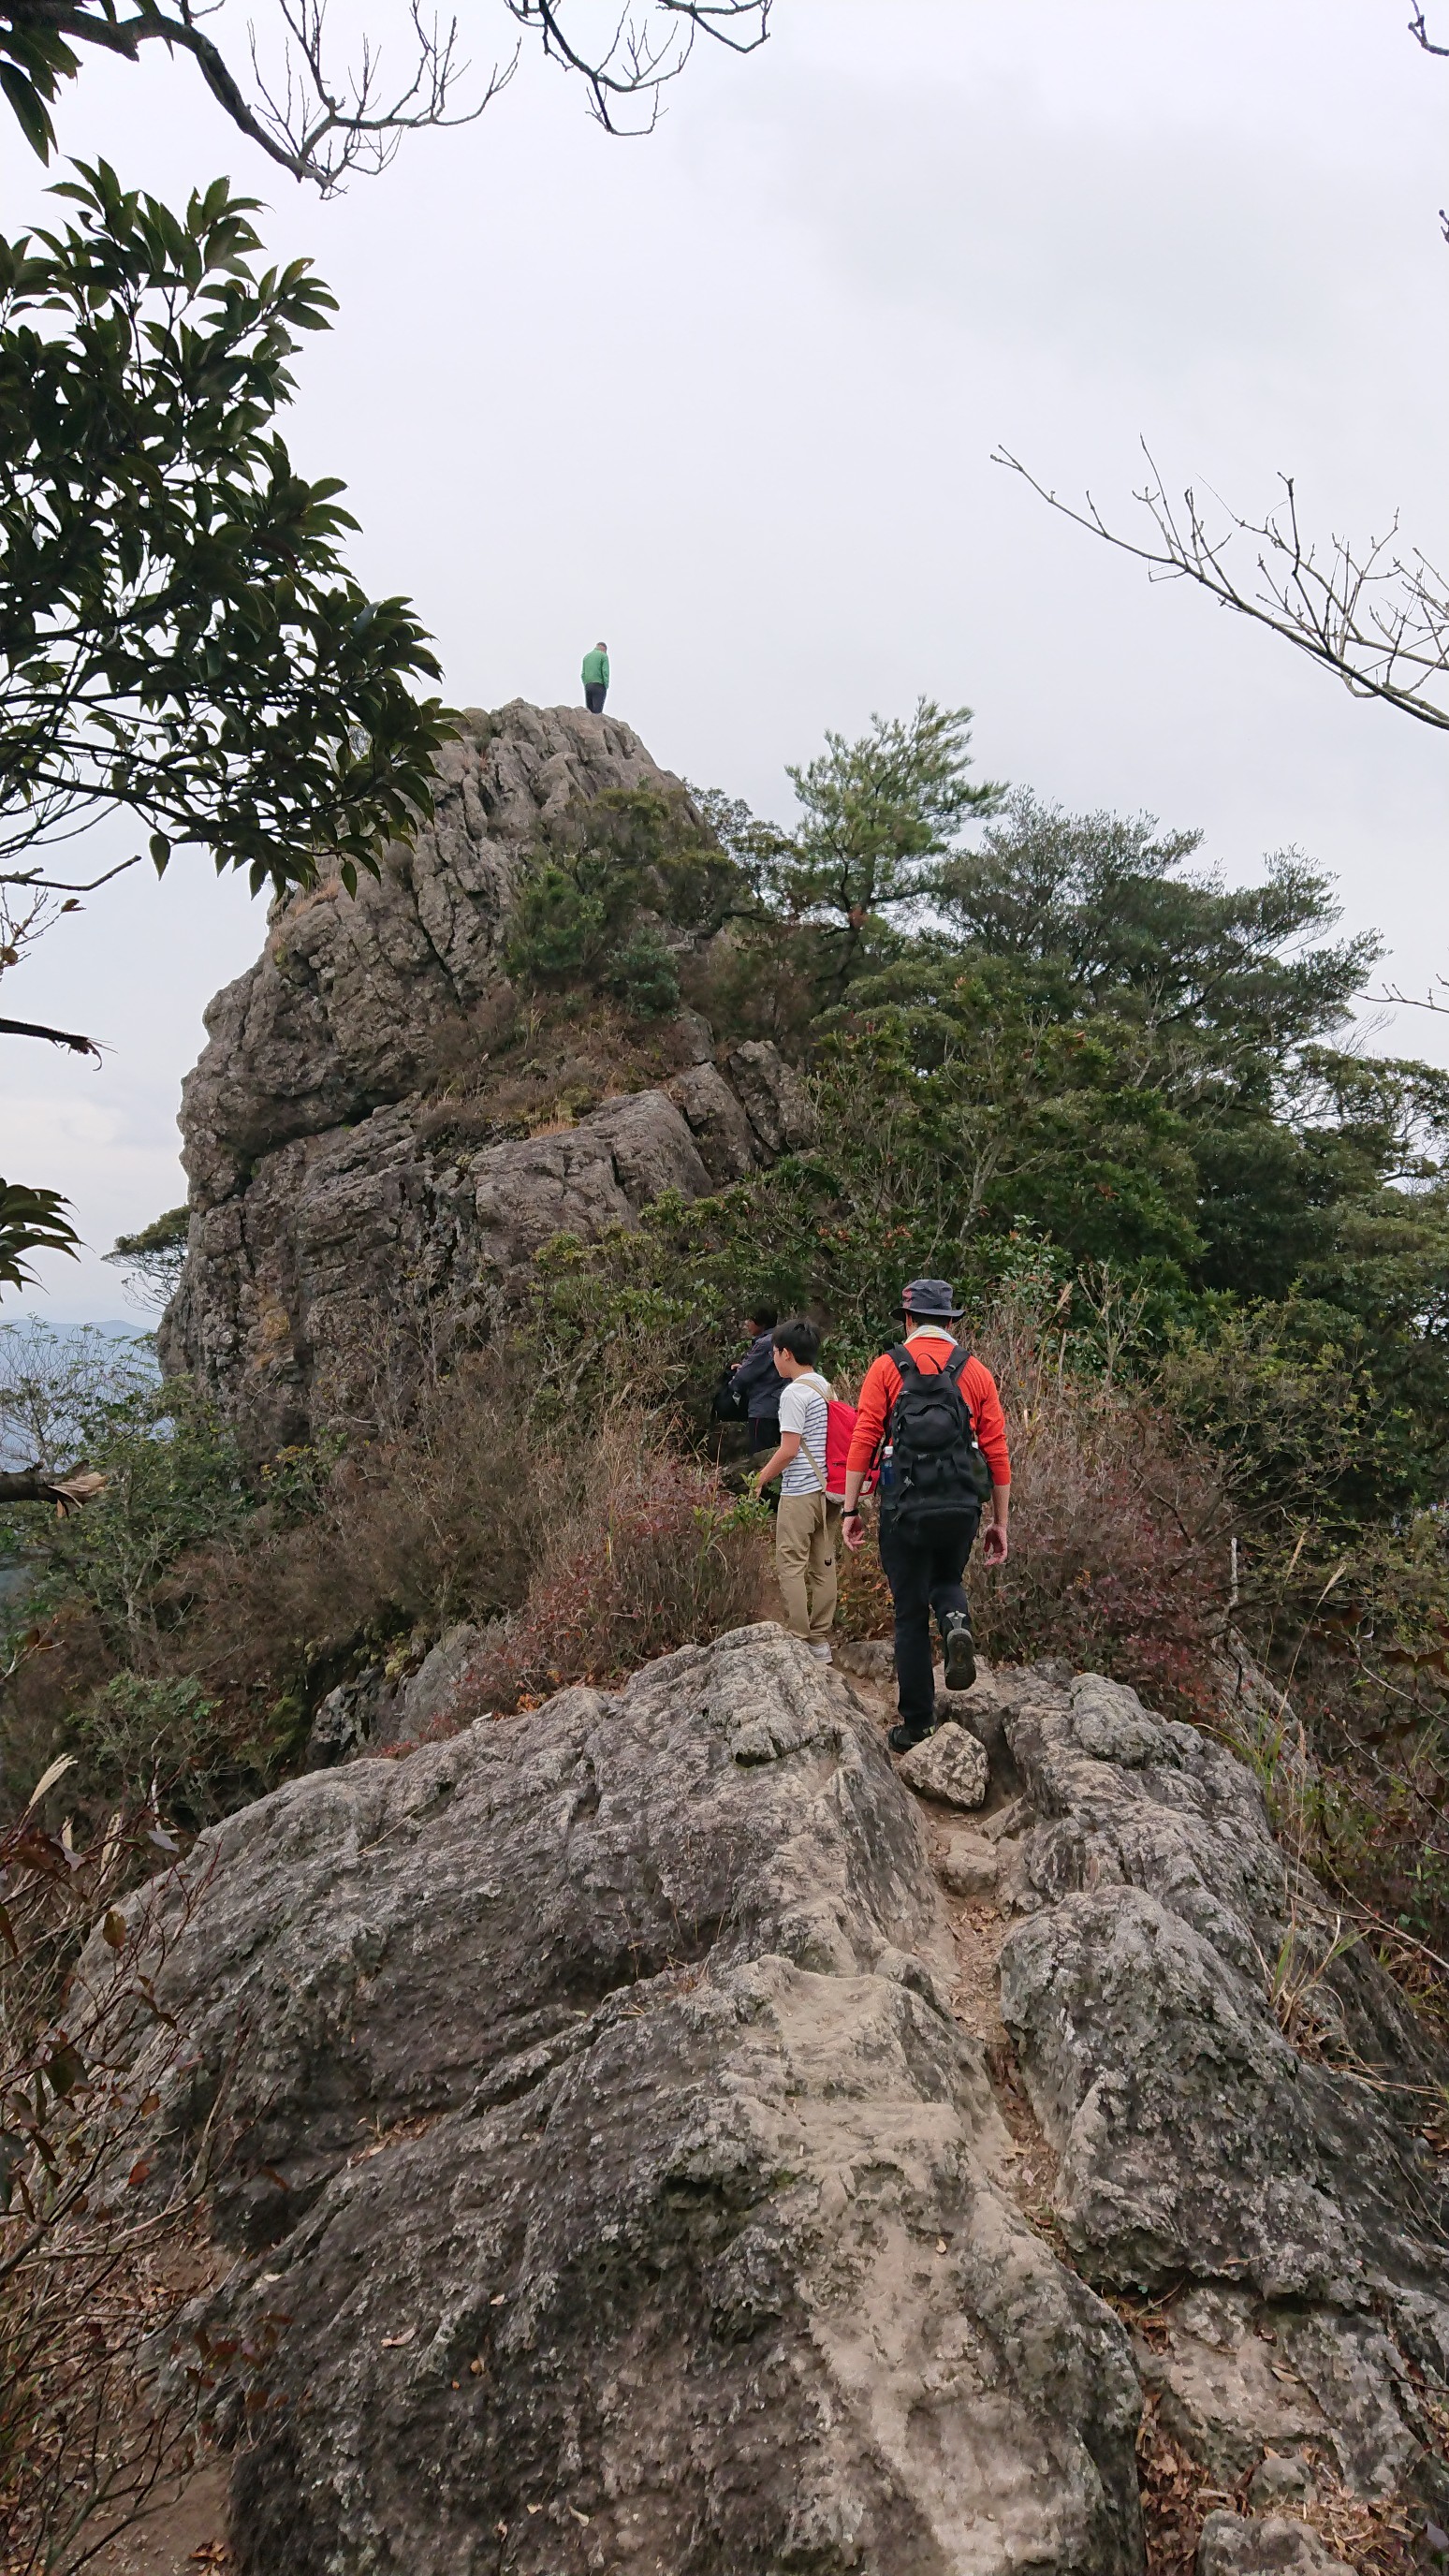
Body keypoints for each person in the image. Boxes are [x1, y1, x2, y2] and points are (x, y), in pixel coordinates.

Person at [841, 1278, 1010, 1753]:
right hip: (961, 1506)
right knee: (947, 1579)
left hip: (903, 1508)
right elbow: (996, 1450)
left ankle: (918, 1725)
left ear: (910, 1320)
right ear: (950, 1322)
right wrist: (999, 1522)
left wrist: (851, 1508)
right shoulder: (975, 1372)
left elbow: (864, 1440)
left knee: (910, 1612)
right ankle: (956, 1623)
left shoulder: (887, 1367)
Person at [753, 1318, 841, 1662]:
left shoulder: (793, 1393)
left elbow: (789, 1449)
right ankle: (820, 1640)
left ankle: (799, 1638)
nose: (774, 1359)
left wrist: (761, 1478)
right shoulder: (825, 1387)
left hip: (800, 1490)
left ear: (786, 1354)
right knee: (824, 1563)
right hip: (828, 1490)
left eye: (774, 1353)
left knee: (791, 1563)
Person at [727, 1304, 781, 1454]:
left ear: (761, 1323)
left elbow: (744, 1377)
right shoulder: (781, 1339)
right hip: (778, 1406)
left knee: (760, 1455)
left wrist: (733, 1383)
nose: (747, 1323)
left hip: (762, 1407)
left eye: (750, 1320)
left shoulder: (764, 1343)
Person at [582, 641, 609, 714]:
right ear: (604, 649)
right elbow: (605, 672)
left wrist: (586, 684)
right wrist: (606, 685)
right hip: (599, 685)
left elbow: (583, 674)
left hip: (588, 685)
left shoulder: (586, 657)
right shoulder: (603, 656)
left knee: (589, 712)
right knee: (597, 712)